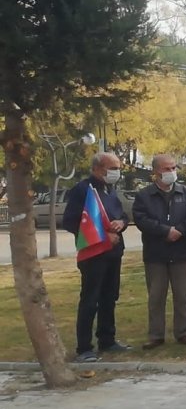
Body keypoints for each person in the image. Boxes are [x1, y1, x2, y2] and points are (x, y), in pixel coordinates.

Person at [62, 153, 131, 362]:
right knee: (90, 300)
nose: (116, 172)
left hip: (113, 253)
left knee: (110, 297)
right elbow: (71, 221)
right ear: (99, 168)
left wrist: (121, 223)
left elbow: (122, 215)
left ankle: (107, 339)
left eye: (117, 168)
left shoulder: (110, 189)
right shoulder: (83, 190)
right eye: (113, 167)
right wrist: (102, 235)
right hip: (93, 254)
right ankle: (84, 347)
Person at [132, 154, 186, 349]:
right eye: (166, 169)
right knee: (156, 297)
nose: (171, 172)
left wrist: (180, 230)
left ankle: (184, 332)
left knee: (183, 296)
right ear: (155, 172)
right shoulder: (144, 196)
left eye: (173, 168)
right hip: (156, 254)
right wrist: (165, 231)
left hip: (182, 253)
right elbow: (141, 219)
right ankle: (155, 335)